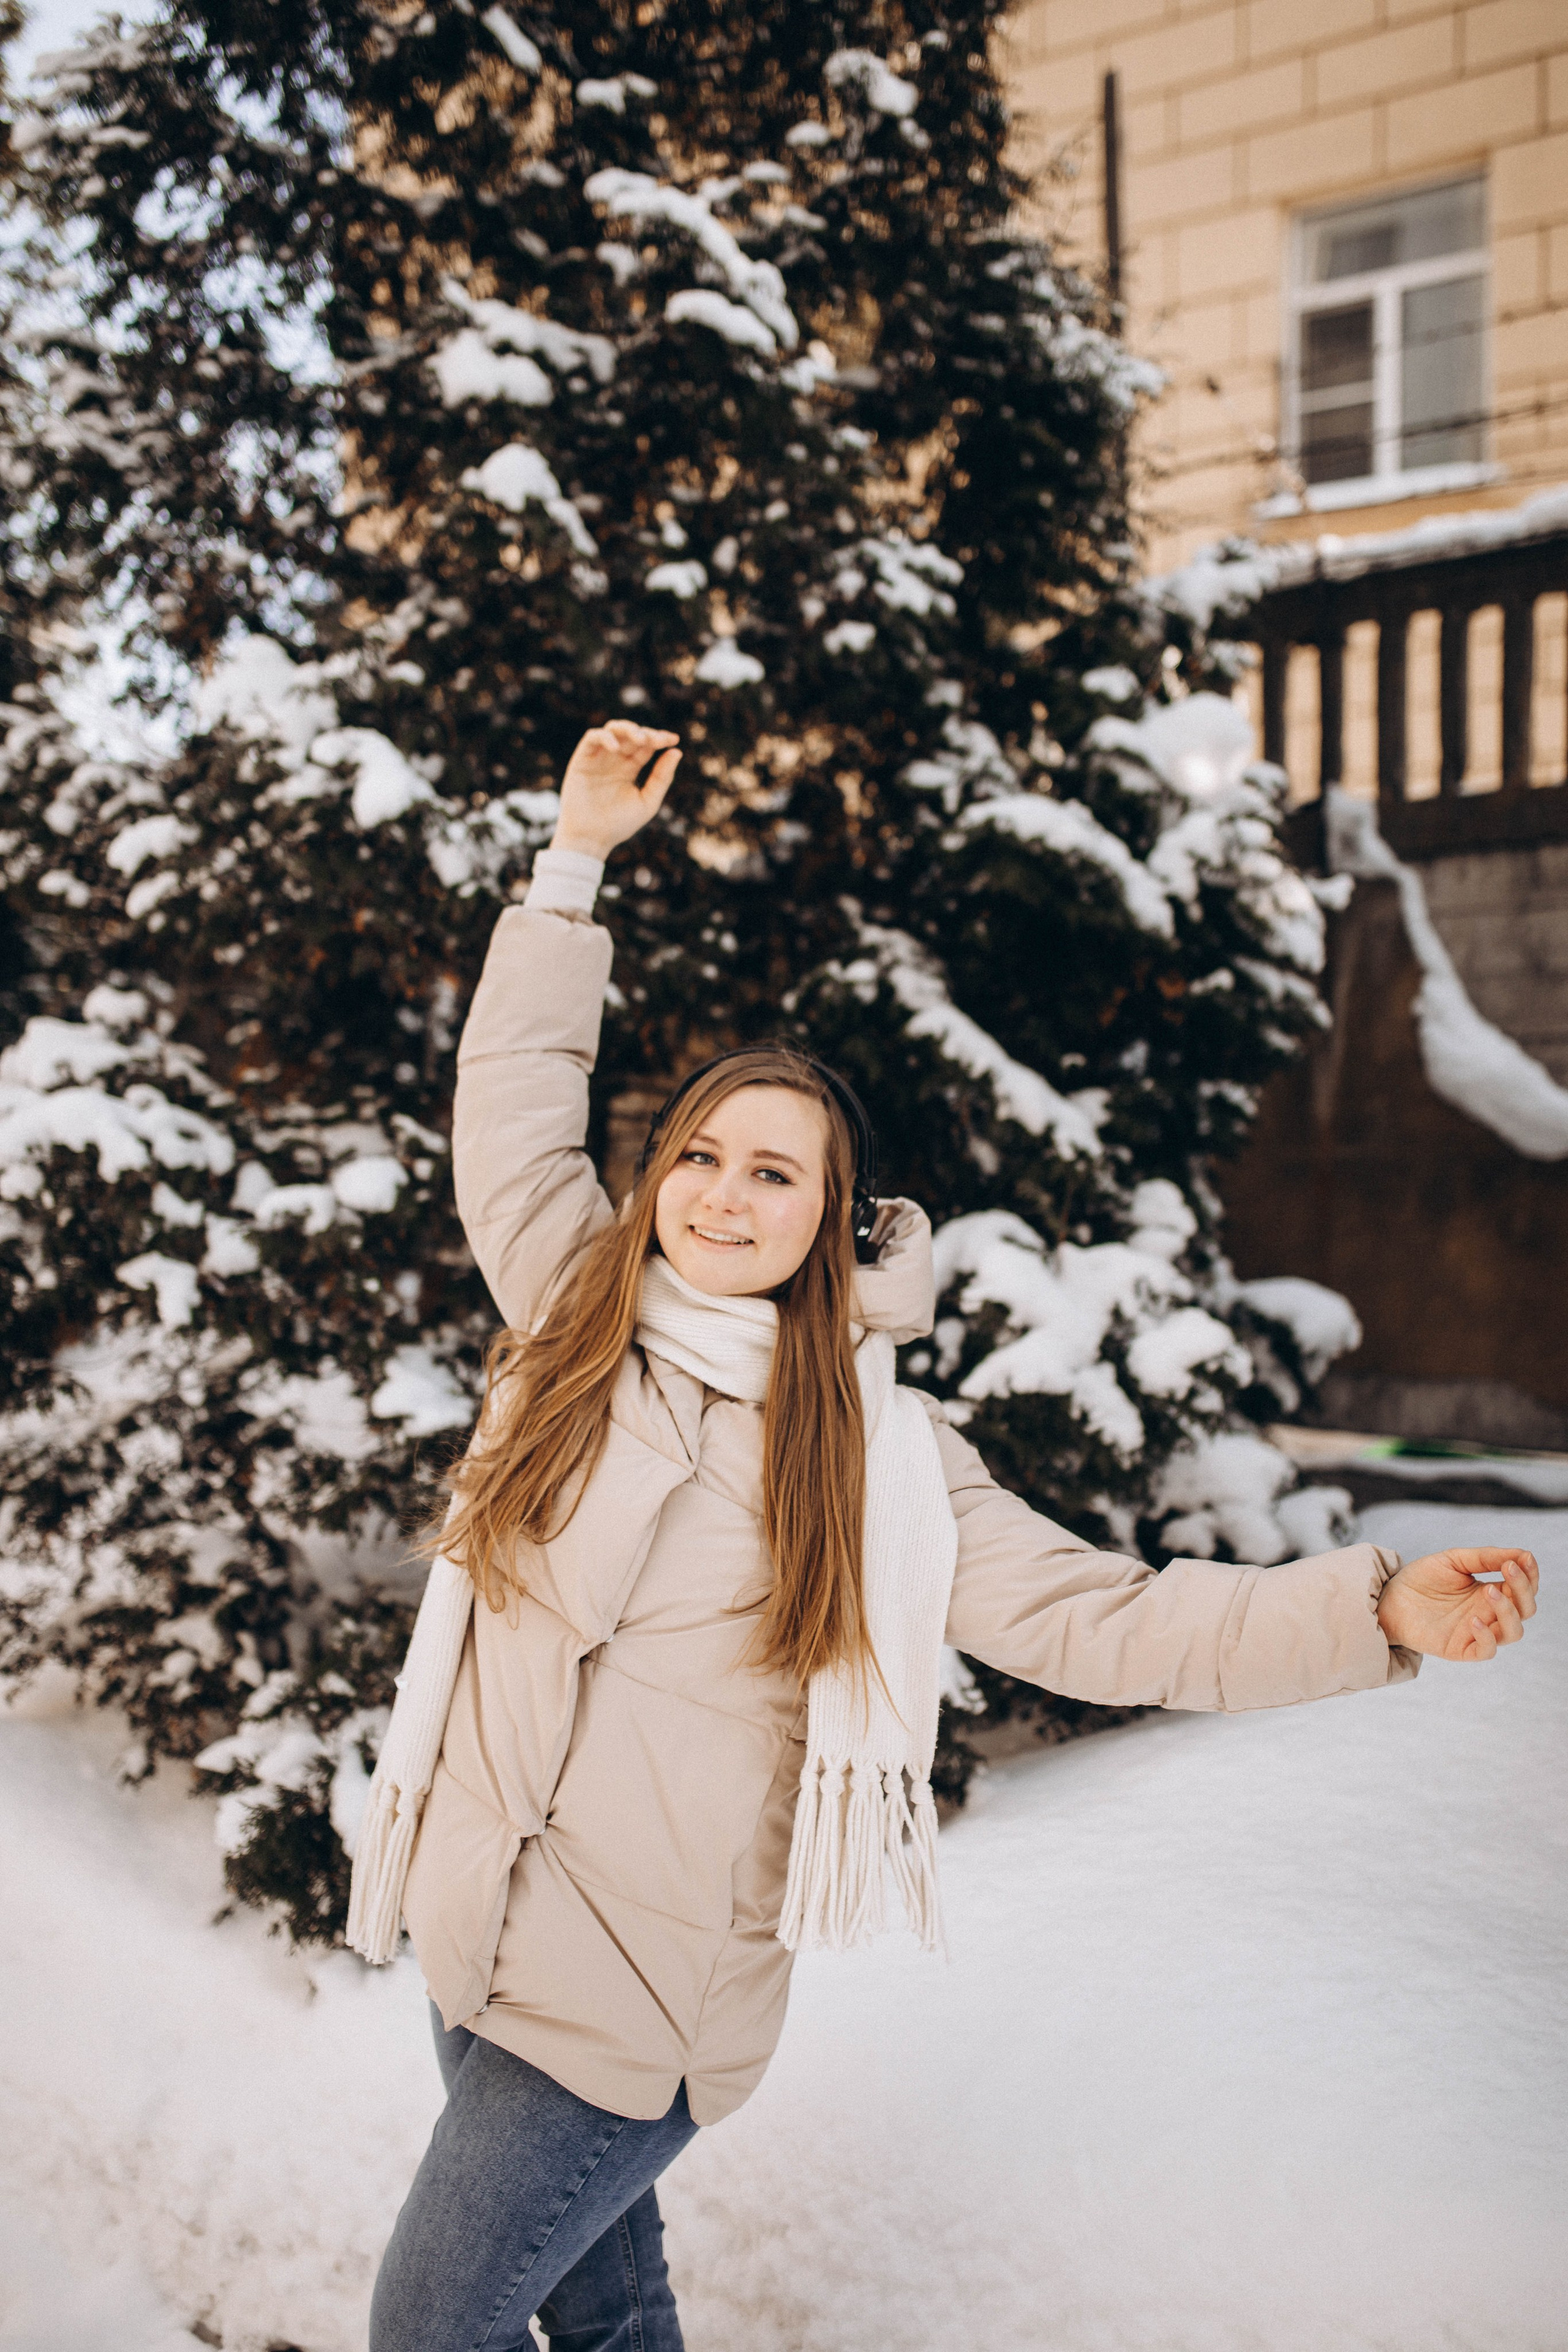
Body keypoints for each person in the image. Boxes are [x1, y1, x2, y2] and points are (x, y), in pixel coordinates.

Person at [358, 720, 1539, 2352]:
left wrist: (1379, 1610)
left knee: (427, 2328)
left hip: (633, 2005)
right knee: (606, 2304)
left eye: (772, 1174)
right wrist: (572, 868)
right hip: (477, 1922)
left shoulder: (871, 1458)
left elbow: (1114, 1619)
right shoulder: (580, 1313)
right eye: (698, 1154)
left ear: (832, 1229)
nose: (720, 1193)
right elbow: (514, 1109)